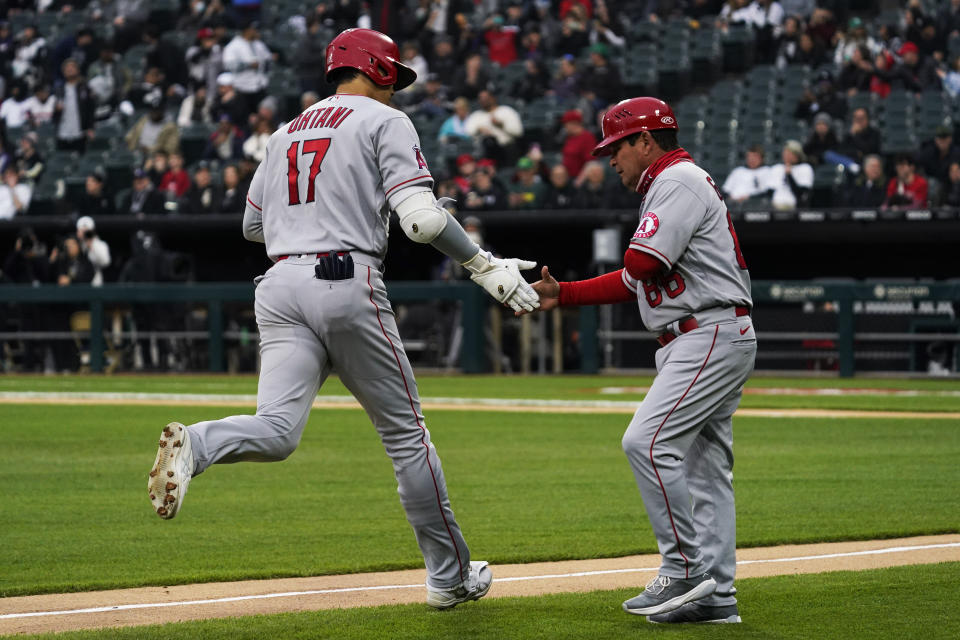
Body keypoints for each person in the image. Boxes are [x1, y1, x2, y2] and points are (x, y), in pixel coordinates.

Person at [147, 28, 540, 610]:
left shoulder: (283, 133)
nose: (396, 91)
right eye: (394, 79)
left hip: (278, 286)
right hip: (343, 278)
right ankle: (449, 576)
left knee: (277, 431)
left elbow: (253, 227)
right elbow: (423, 224)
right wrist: (483, 264)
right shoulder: (385, 122)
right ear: (377, 70)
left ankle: (198, 445)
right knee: (407, 438)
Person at [524, 97, 755, 624]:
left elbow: (641, 261)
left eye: (617, 147)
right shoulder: (674, 183)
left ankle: (685, 570)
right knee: (705, 470)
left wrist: (635, 245)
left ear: (645, 141)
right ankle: (715, 596)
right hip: (708, 330)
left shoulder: (675, 181)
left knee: (647, 443)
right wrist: (567, 294)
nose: (611, 159)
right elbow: (634, 279)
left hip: (706, 332)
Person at [221, 20, 272, 116]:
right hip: (241, 88)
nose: (255, 31)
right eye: (252, 29)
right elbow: (228, 65)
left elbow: (268, 60)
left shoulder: (259, 44)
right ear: (246, 30)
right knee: (243, 117)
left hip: (259, 88)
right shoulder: (233, 46)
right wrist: (248, 65)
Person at [464, 89, 524, 167]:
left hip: (505, 149)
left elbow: (519, 132)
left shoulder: (506, 111)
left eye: (486, 98)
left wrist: (501, 125)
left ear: (493, 98)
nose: (483, 100)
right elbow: (466, 133)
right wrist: (478, 129)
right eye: (481, 98)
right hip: (484, 151)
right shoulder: (476, 116)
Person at [54, 58, 96, 152]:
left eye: (72, 66)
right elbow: (54, 113)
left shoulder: (85, 88)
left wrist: (91, 127)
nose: (69, 69)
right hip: (63, 132)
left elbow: (90, 109)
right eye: (67, 68)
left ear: (78, 70)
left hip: (80, 132)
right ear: (63, 72)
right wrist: (56, 109)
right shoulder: (59, 89)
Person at [764, 140, 813, 210]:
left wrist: (789, 175)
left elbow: (801, 195)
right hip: (774, 206)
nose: (786, 155)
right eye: (785, 153)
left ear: (797, 155)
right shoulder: (776, 168)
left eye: (789, 153)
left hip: (794, 206)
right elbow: (769, 193)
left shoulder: (805, 168)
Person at [560, 109, 597, 180]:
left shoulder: (587, 137)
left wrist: (579, 181)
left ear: (573, 123)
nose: (565, 127)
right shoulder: (569, 137)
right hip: (568, 178)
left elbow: (590, 163)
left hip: (581, 179)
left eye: (565, 124)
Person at [76, 216, 111, 286]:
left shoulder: (100, 245)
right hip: (78, 284)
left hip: (95, 284)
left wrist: (91, 246)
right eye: (82, 231)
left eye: (87, 231)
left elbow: (106, 262)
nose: (85, 234)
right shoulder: (75, 245)